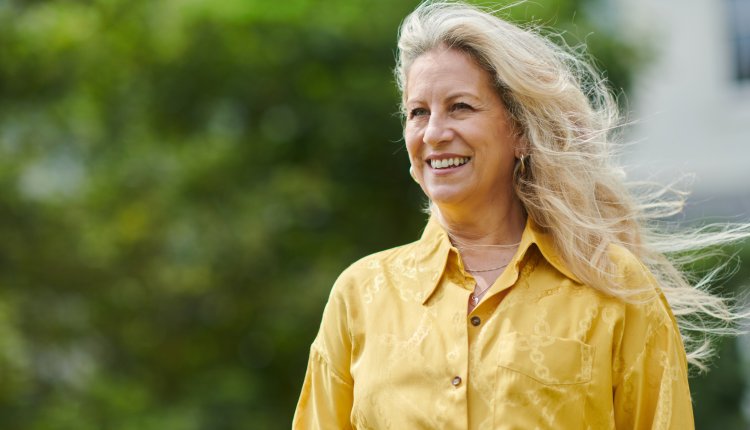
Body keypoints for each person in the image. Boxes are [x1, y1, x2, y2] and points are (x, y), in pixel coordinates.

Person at [293, 1, 749, 428]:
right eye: (417, 112)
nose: (433, 133)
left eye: (460, 108)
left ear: (520, 133)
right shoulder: (361, 296)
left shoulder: (613, 287)